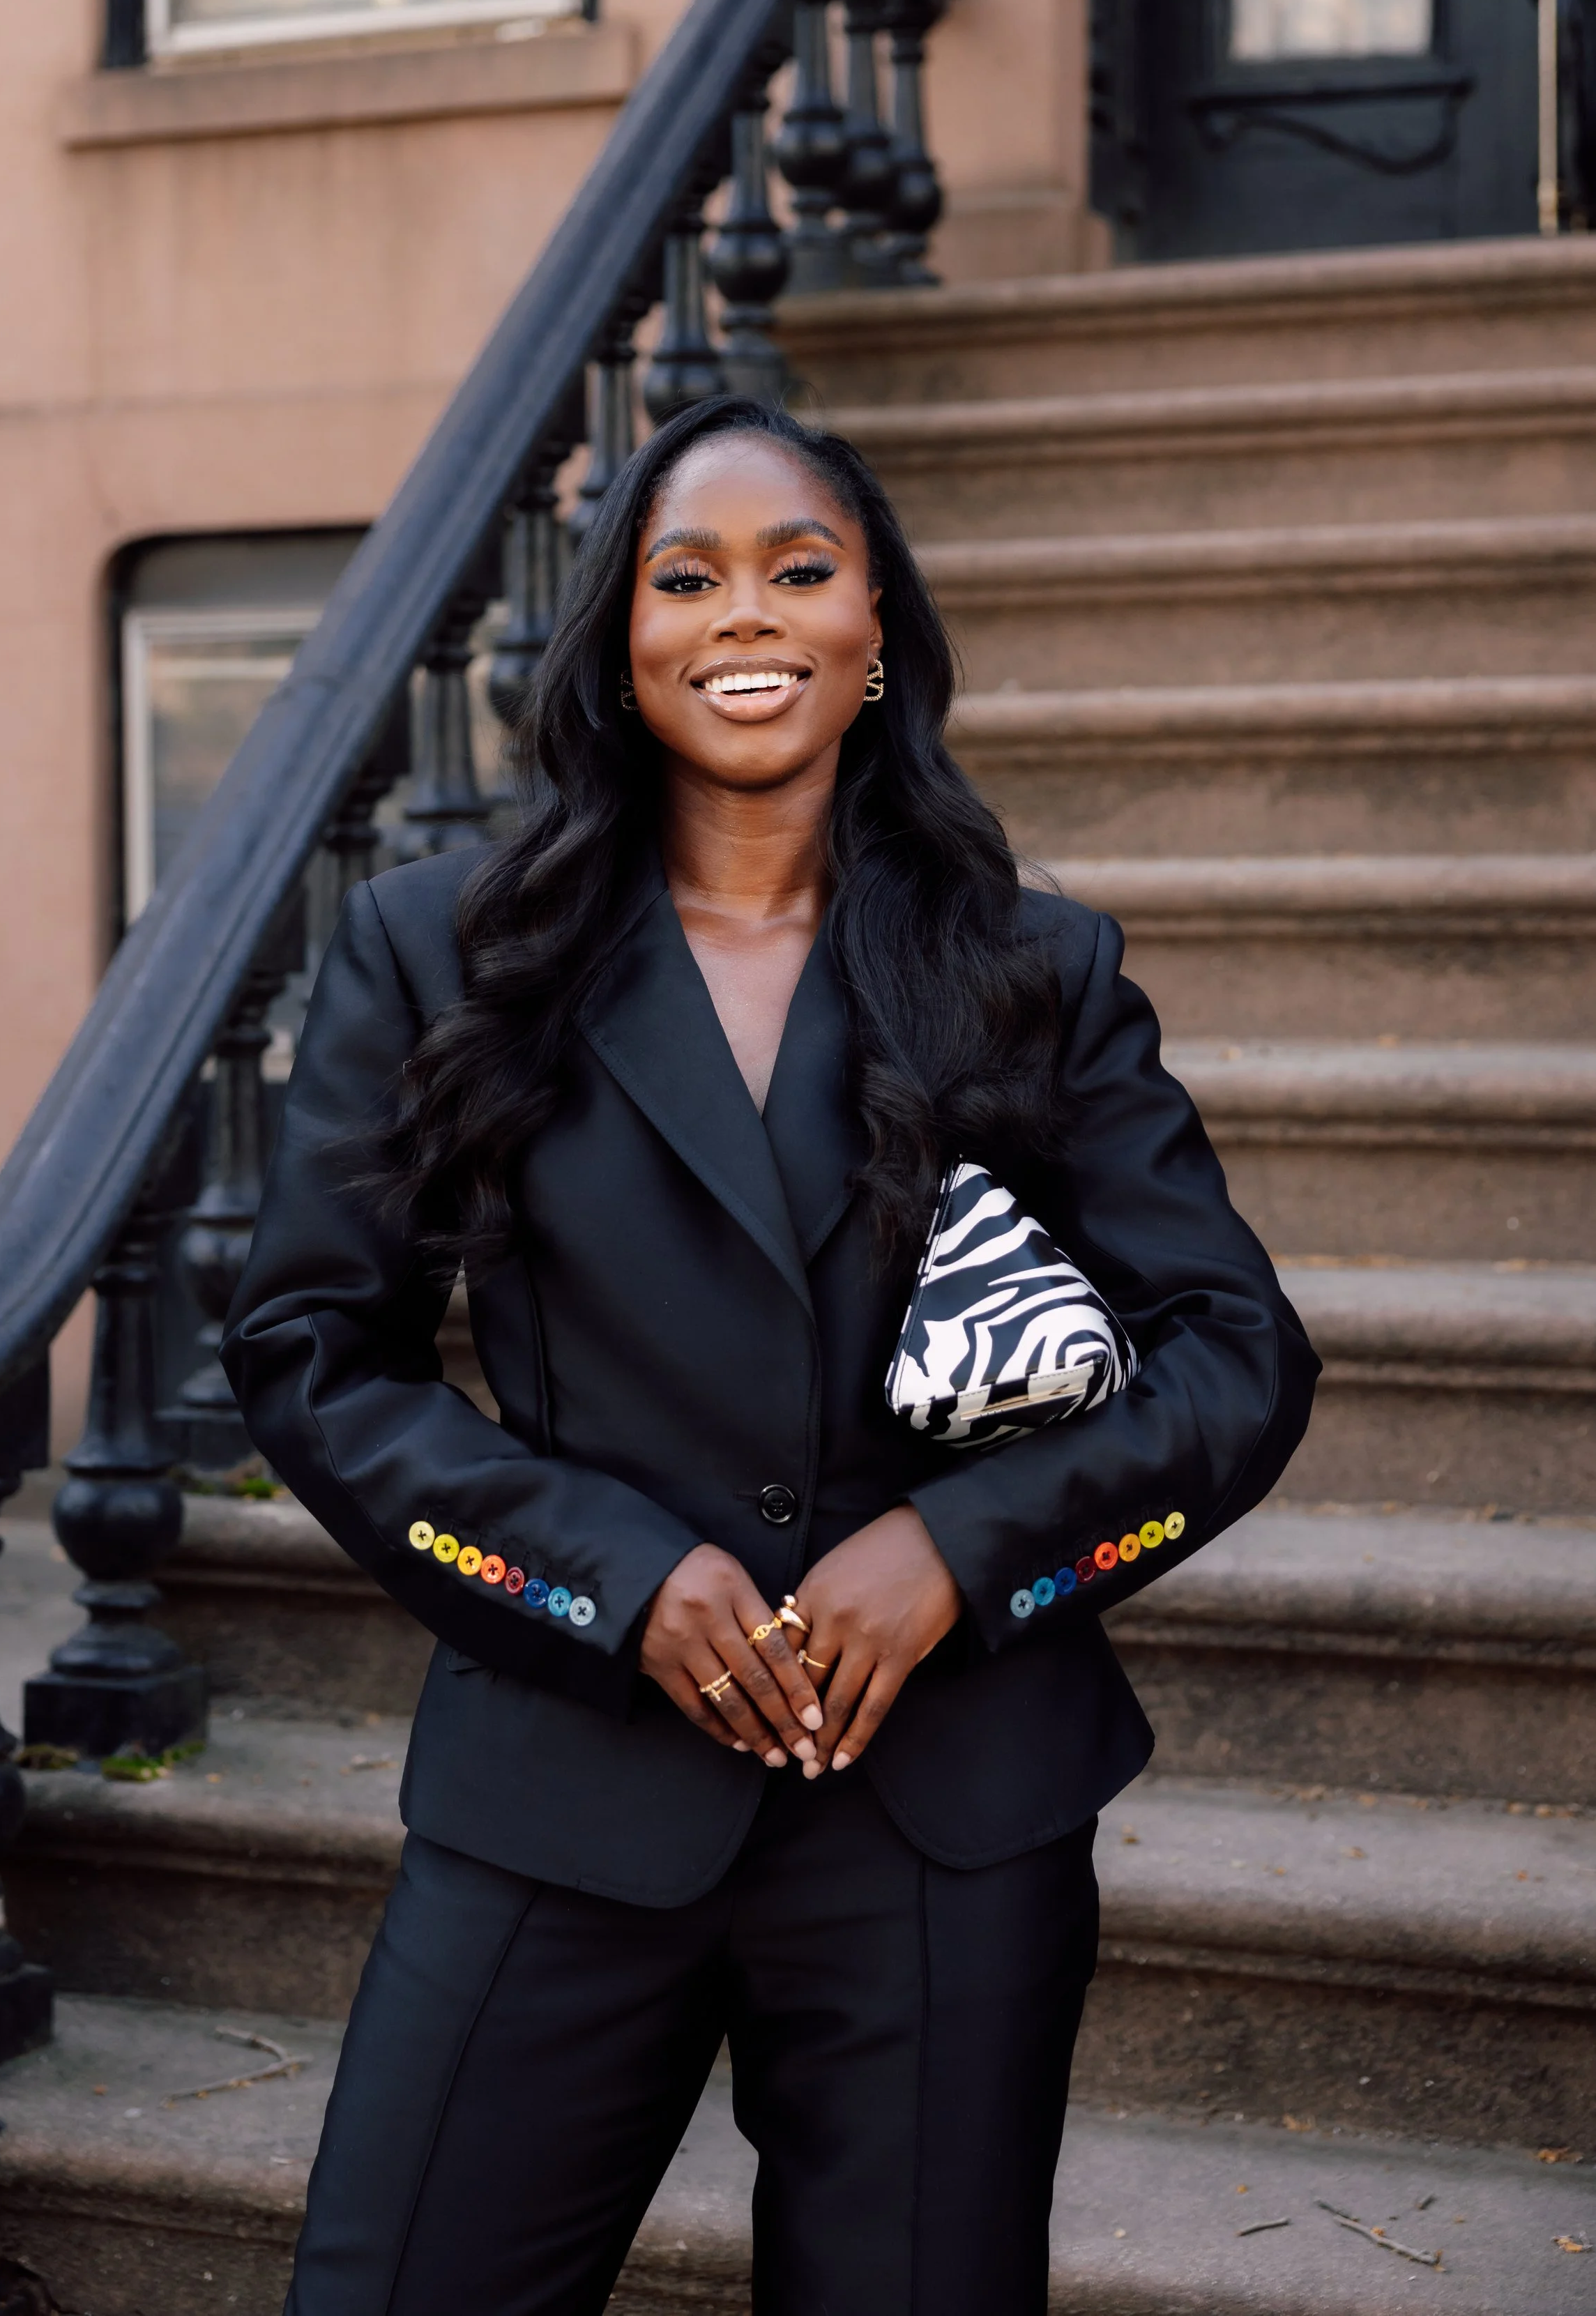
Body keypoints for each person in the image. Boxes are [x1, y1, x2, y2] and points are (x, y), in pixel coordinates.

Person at [222, 393, 1318, 2316]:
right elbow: (318, 1348)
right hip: (562, 1779)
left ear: (875, 632)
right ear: (620, 639)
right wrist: (613, 1574)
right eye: (687, 575)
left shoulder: (1031, 968)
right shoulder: (438, 949)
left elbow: (1233, 1356)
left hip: (945, 1810)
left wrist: (964, 1554)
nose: (745, 616)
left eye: (799, 571)